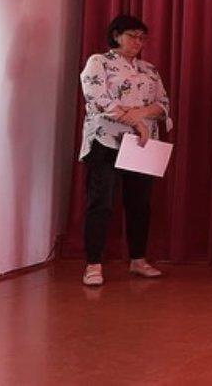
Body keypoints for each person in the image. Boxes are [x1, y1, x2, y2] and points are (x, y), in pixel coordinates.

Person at [78, 14, 171, 286]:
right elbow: (96, 98)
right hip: (106, 140)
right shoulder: (99, 61)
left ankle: (138, 259)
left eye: (142, 38)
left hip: (141, 144)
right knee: (101, 202)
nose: (138, 42)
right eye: (132, 36)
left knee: (139, 203)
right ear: (116, 35)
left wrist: (141, 116)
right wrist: (134, 121)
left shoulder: (149, 69)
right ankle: (93, 264)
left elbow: (163, 104)